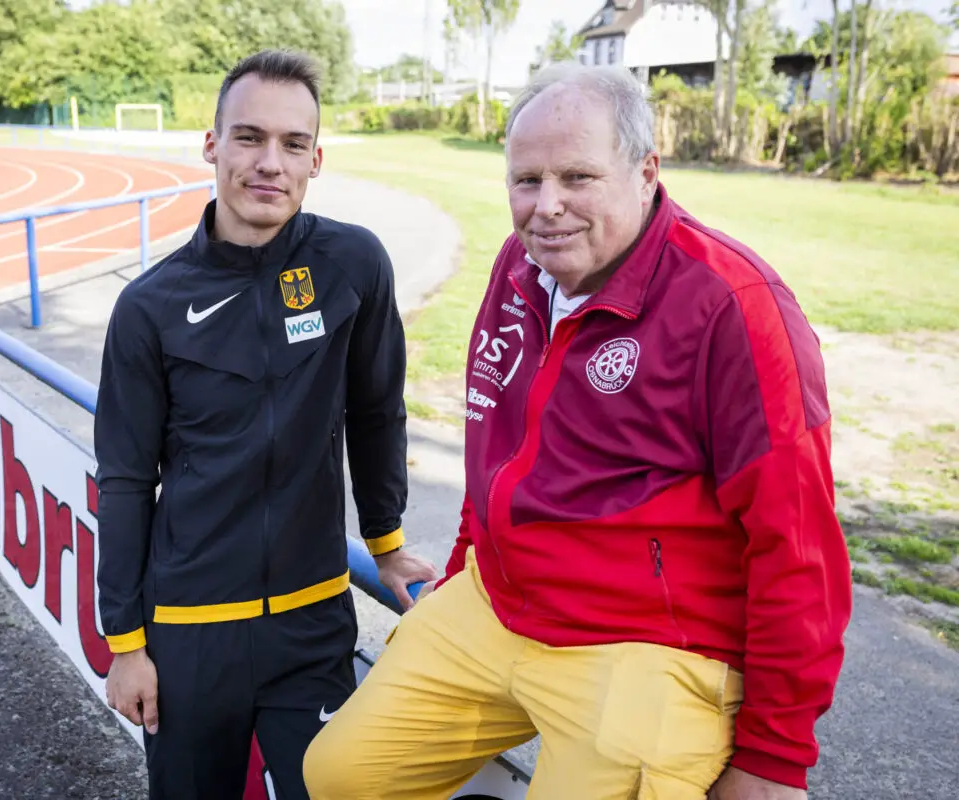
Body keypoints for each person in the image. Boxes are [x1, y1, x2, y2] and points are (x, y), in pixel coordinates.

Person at [303, 60, 852, 800]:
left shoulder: (733, 307)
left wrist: (773, 758)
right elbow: (495, 445)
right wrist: (463, 566)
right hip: (499, 603)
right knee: (338, 776)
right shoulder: (520, 265)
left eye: (577, 178)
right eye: (526, 181)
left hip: (648, 643)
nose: (547, 207)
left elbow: (800, 544)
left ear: (646, 172)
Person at [92, 48, 438, 800]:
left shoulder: (353, 263)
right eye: (248, 137)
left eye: (292, 143)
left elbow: (377, 411)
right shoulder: (149, 306)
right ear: (212, 145)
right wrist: (125, 643)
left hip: (312, 623)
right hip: (187, 633)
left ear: (317, 159)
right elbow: (123, 479)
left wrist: (387, 544)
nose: (269, 163)